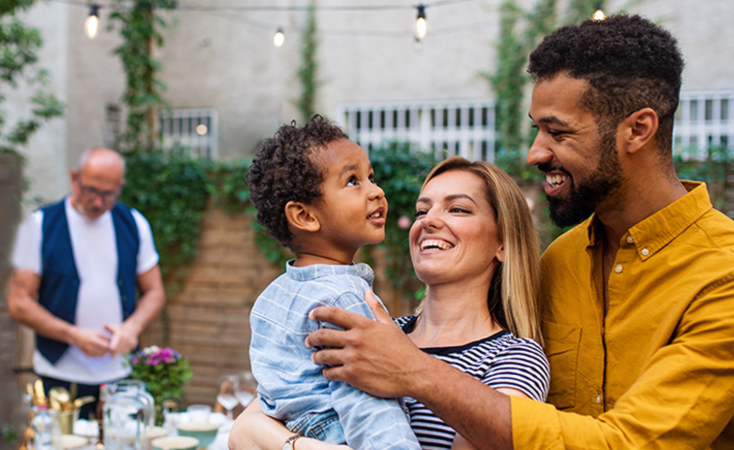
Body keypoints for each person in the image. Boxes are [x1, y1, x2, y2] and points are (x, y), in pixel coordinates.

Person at [279, 15, 734, 449]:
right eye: (537, 130)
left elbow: (630, 444)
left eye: (557, 132)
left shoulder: (722, 274)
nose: (536, 153)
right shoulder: (561, 261)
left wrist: (415, 372)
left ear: (638, 129)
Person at [233, 157, 552, 450]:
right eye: (422, 211)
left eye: (457, 209)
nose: (428, 222)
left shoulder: (514, 358)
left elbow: (259, 433)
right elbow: (244, 429)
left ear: (503, 243)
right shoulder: (375, 329)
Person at [241, 116, 416, 450]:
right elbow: (366, 401)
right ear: (305, 216)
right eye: (353, 181)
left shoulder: (271, 297)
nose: (376, 191)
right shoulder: (343, 298)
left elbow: (269, 394)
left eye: (371, 177)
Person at [7, 147, 166, 420]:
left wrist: (132, 327)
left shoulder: (135, 223)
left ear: (121, 186)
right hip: (58, 376)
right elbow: (17, 302)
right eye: (90, 190)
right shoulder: (37, 224)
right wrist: (72, 335)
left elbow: (155, 292)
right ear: (74, 178)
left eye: (108, 194)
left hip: (120, 376)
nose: (97, 202)